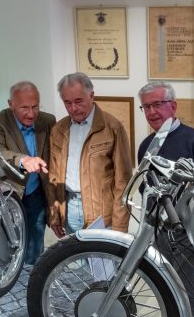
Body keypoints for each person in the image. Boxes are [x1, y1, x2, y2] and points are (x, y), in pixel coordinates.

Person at [136, 81, 194, 317]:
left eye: (157, 104)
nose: (152, 112)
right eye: (146, 107)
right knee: (165, 282)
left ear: (173, 105)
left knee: (187, 284)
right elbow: (145, 186)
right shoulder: (146, 146)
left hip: (187, 230)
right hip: (160, 229)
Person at [46, 72, 133, 237]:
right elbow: (53, 176)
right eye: (67, 103)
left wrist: (120, 226)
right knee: (76, 259)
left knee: (103, 262)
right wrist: (54, 214)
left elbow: (124, 182)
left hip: (101, 214)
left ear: (91, 95)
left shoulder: (112, 127)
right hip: (68, 208)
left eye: (78, 101)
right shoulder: (58, 130)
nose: (73, 108)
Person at [0, 81, 56, 266]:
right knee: (6, 245)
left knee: (34, 246)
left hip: (36, 194)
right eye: (24, 107)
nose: (31, 114)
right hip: (9, 194)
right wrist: (23, 160)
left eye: (35, 107)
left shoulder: (48, 121)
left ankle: (32, 281)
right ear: (11, 104)